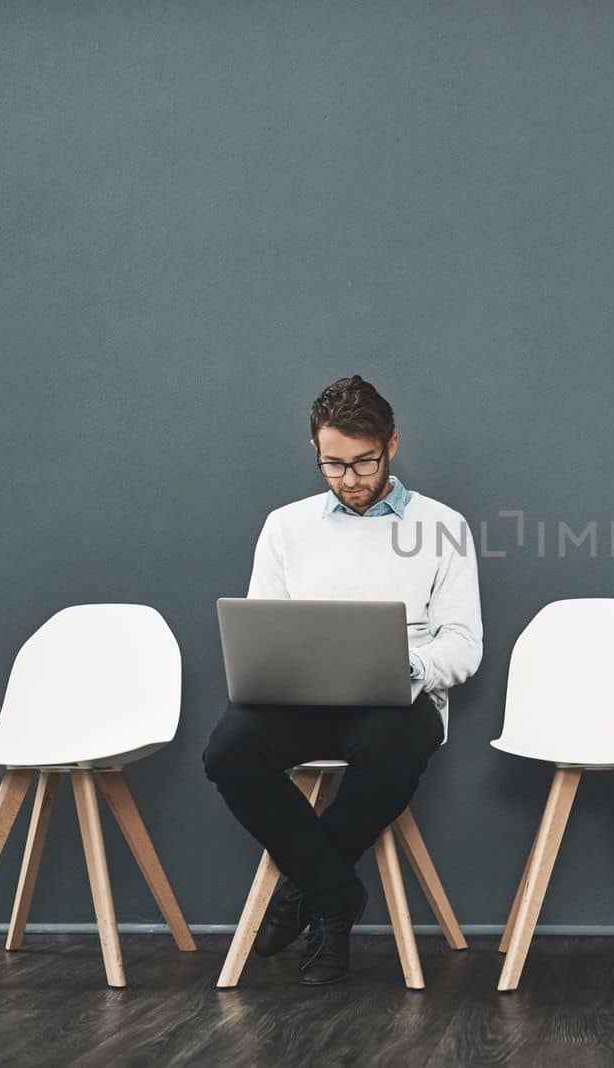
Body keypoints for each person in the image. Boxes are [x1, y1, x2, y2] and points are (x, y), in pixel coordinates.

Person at [203, 375, 482, 985]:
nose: (350, 480)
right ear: (315, 451)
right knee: (227, 753)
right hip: (299, 698)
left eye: (364, 463)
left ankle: (307, 897)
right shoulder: (285, 526)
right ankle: (332, 894)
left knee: (391, 754)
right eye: (334, 464)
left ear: (392, 446)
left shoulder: (442, 526)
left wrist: (404, 667)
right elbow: (264, 625)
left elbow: (465, 647)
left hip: (397, 699)